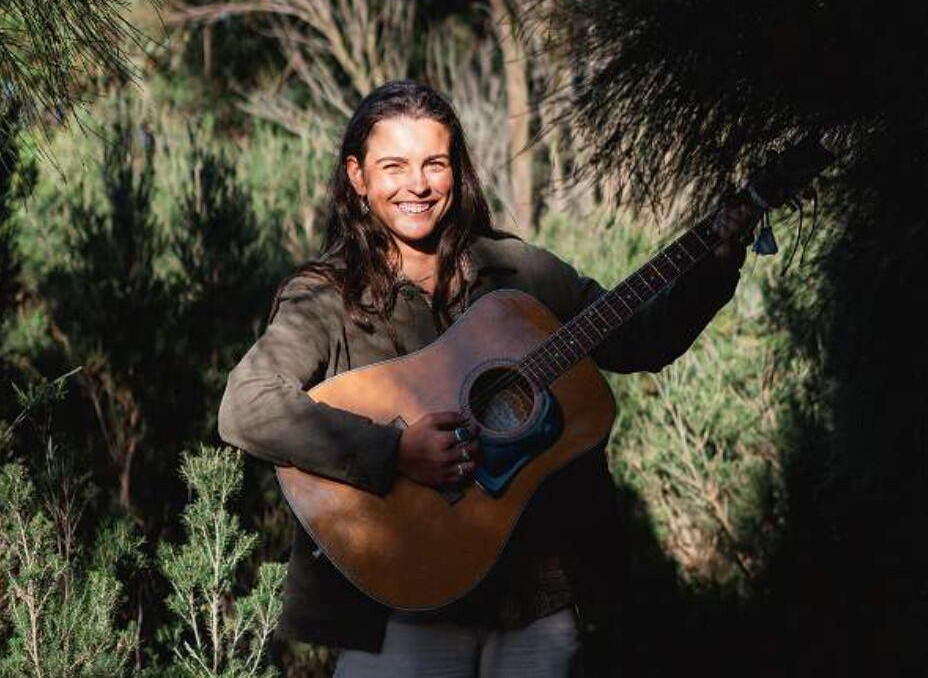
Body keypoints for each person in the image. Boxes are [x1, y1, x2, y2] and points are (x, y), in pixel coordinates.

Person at [217, 79, 754, 677]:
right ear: (357, 177)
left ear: (457, 170)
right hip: (402, 608)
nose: (417, 185)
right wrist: (394, 451)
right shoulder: (326, 296)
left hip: (538, 599)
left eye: (435, 164)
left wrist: (714, 266)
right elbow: (246, 405)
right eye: (393, 166)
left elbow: (640, 340)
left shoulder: (519, 271)